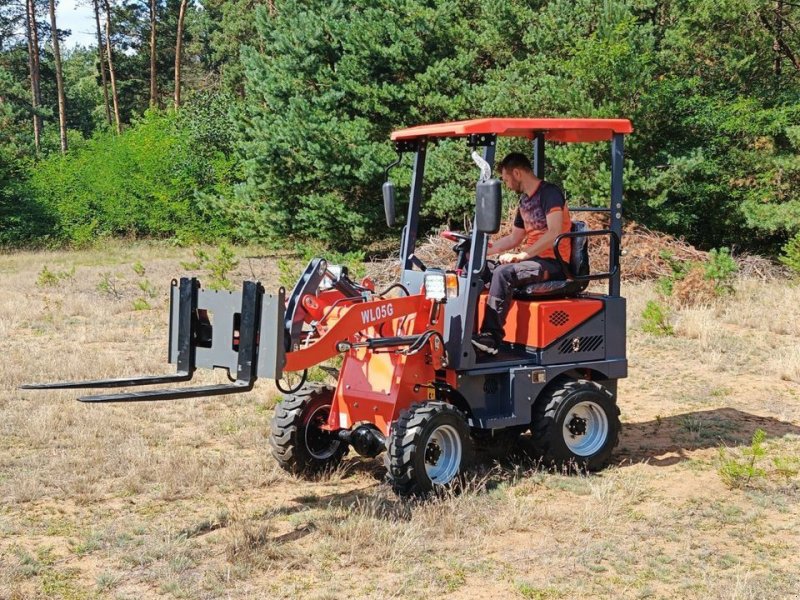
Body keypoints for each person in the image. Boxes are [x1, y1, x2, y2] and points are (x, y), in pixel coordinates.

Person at [471, 152, 573, 355]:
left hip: (553, 264)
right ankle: (469, 333)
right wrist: (481, 252)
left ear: (517, 173)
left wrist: (523, 255)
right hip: (533, 260)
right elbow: (513, 239)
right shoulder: (524, 202)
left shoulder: (550, 193)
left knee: (503, 273)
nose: (507, 185)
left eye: (506, 179)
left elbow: (554, 232)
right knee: (479, 269)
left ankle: (491, 338)